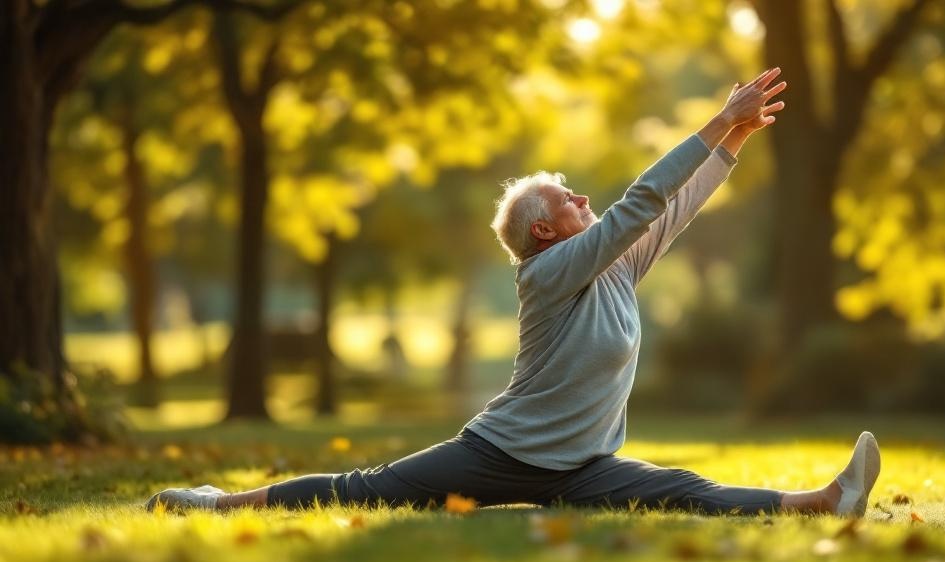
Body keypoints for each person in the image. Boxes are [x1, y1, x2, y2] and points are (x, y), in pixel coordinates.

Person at [147, 67, 881, 517]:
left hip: (585, 464)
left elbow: (674, 206)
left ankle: (822, 502)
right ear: (544, 234)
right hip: (506, 453)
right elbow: (640, 202)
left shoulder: (614, 267)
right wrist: (717, 117)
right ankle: (218, 502)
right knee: (367, 488)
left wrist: (735, 141)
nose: (583, 198)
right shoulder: (549, 273)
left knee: (682, 488)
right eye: (568, 198)